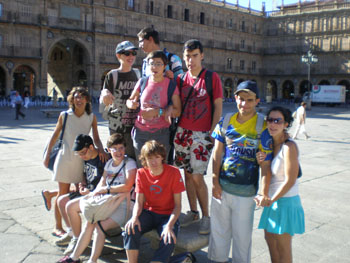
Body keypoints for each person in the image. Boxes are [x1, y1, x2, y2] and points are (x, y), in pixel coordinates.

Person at [208, 80, 273, 263]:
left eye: (249, 100)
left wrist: (263, 191)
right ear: (235, 98)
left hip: (245, 193)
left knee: (242, 239)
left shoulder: (262, 126)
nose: (244, 104)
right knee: (218, 234)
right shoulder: (226, 120)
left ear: (257, 101)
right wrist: (214, 181)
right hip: (222, 188)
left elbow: (265, 163)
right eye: (241, 99)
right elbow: (217, 152)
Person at [57, 133, 137, 263]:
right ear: (109, 150)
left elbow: (127, 186)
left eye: (121, 148)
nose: (118, 152)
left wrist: (106, 189)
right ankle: (75, 257)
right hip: (108, 202)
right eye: (115, 148)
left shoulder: (129, 163)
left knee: (98, 225)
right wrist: (93, 193)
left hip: (123, 206)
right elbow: (102, 182)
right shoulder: (109, 163)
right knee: (90, 220)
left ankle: (90, 259)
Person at [173, 39, 223, 234]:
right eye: (187, 56)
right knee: (186, 173)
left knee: (196, 176)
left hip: (202, 134)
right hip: (182, 133)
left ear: (202, 55)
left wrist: (212, 131)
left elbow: (218, 105)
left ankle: (206, 216)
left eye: (194, 56)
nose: (191, 60)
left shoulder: (211, 78)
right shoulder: (180, 79)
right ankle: (193, 211)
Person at [43, 86, 107, 237]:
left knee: (78, 191)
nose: (79, 100)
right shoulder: (65, 115)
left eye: (82, 97)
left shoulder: (91, 117)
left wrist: (101, 149)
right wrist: (47, 155)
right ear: (72, 99)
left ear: (87, 100)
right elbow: (54, 136)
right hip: (65, 158)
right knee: (63, 193)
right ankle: (58, 227)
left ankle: (51, 196)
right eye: (76, 97)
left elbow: (96, 137)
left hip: (81, 160)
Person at [256, 106, 305, 263]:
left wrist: (271, 199)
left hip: (285, 202)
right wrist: (261, 162)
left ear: (286, 124)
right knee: (270, 242)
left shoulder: (289, 147)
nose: (272, 124)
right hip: (273, 202)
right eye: (270, 120)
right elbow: (268, 172)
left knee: (283, 248)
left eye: (278, 121)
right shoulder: (269, 145)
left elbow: (290, 180)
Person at [123, 140, 185, 263]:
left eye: (157, 157)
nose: (154, 162)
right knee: (130, 229)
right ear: (144, 160)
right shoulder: (141, 173)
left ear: (162, 157)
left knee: (169, 237)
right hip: (149, 213)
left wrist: (169, 225)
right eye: (150, 158)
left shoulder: (174, 172)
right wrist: (134, 217)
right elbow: (139, 202)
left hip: (167, 215)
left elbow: (178, 206)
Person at [55, 134, 107, 255]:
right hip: (86, 191)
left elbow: (106, 183)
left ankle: (77, 240)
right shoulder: (85, 158)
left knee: (69, 206)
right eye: (79, 154)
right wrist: (81, 183)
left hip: (97, 195)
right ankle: (72, 232)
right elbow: (84, 174)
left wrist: (90, 192)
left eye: (83, 152)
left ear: (91, 147)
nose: (82, 156)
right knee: (61, 201)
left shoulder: (102, 159)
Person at [126, 50, 181, 166]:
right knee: (142, 169)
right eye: (151, 63)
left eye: (158, 64)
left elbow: (178, 111)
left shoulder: (170, 85)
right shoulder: (142, 82)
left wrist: (158, 112)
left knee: (161, 170)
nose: (154, 67)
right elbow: (130, 100)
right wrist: (131, 104)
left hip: (161, 134)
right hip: (141, 134)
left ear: (164, 67)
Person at [100, 40, 141, 160]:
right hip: (116, 126)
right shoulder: (112, 75)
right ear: (118, 56)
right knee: (118, 158)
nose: (131, 56)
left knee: (134, 159)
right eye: (127, 53)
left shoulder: (138, 74)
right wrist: (104, 93)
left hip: (134, 125)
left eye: (133, 53)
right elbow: (104, 95)